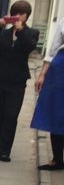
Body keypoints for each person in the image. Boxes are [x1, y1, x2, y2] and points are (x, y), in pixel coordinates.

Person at [0, 1, 38, 163]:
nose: (18, 17)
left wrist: (20, 30)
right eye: (15, 13)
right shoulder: (5, 34)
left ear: (27, 16)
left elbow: (29, 47)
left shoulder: (31, 33)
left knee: (11, 116)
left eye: (22, 14)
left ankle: (5, 150)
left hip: (17, 82)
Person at [33, 18, 64, 171]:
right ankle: (57, 159)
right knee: (57, 113)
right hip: (60, 71)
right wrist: (42, 75)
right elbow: (52, 51)